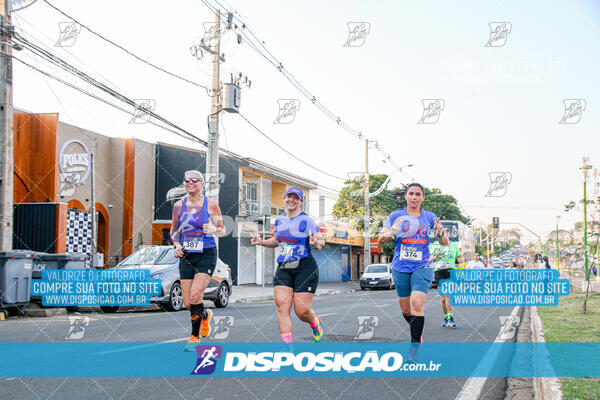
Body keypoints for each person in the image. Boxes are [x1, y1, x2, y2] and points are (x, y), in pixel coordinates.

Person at [378, 183, 447, 360]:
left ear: (423, 198)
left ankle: (413, 348)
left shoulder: (430, 217)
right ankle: (417, 333)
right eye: (411, 194)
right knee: (406, 310)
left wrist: (439, 234)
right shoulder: (396, 215)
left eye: (418, 194)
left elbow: (445, 242)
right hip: (401, 267)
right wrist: (392, 232)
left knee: (416, 303)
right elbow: (380, 239)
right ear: (406, 196)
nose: (414, 197)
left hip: (422, 265)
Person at [251, 188, 325, 343]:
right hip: (284, 266)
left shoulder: (307, 220)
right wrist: (261, 242)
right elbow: (277, 241)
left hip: (305, 266)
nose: (291, 200)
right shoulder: (279, 220)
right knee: (281, 307)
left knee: (302, 311)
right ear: (284, 199)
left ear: (301, 201)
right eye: (288, 197)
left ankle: (314, 322)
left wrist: (316, 242)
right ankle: (287, 347)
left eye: (295, 198)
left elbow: (320, 241)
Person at [168, 170, 226, 351]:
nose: (190, 183)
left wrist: (213, 230)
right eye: (187, 180)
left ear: (202, 184)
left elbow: (222, 229)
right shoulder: (178, 205)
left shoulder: (211, 204)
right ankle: (205, 315)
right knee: (187, 302)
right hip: (186, 255)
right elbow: (174, 231)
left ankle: (194, 337)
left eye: (195, 180)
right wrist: (176, 245)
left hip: (206, 253)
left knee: (195, 295)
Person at [430, 235, 461, 328]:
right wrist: (436, 256)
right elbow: (431, 259)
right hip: (439, 271)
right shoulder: (435, 245)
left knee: (449, 296)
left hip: (450, 271)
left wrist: (461, 261)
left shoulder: (454, 245)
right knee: (443, 298)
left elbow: (459, 257)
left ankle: (451, 317)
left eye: (446, 233)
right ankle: (445, 317)